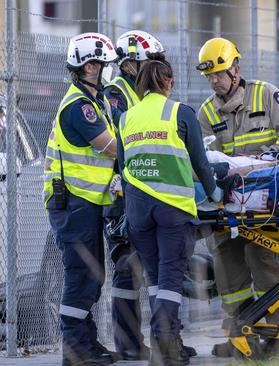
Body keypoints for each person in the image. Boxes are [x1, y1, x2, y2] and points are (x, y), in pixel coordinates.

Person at [195, 37, 279, 356]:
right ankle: (240, 337)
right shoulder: (205, 113)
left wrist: (263, 162)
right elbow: (205, 159)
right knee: (229, 272)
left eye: (219, 73)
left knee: (265, 263)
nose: (215, 81)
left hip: (264, 200)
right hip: (228, 203)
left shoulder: (266, 95)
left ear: (236, 69)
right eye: (210, 76)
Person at [118, 53, 221, 366]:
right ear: (168, 82)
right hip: (172, 209)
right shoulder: (181, 112)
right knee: (172, 279)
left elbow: (123, 168)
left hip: (137, 210)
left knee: (155, 278)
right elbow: (201, 162)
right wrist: (215, 192)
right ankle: (164, 347)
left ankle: (171, 342)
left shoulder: (126, 118)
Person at [43, 32, 120, 366]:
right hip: (74, 204)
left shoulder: (88, 100)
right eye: (103, 65)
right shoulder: (79, 107)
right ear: (90, 67)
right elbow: (111, 146)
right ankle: (75, 351)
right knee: (81, 276)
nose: (107, 72)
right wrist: (146, 145)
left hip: (82, 203)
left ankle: (86, 345)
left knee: (92, 275)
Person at [102, 29, 162, 361]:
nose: (154, 69)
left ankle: (152, 340)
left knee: (145, 267)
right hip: (120, 195)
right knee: (126, 269)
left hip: (140, 191)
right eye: (149, 62)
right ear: (131, 64)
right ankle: (128, 344)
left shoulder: (137, 94)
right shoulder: (117, 95)